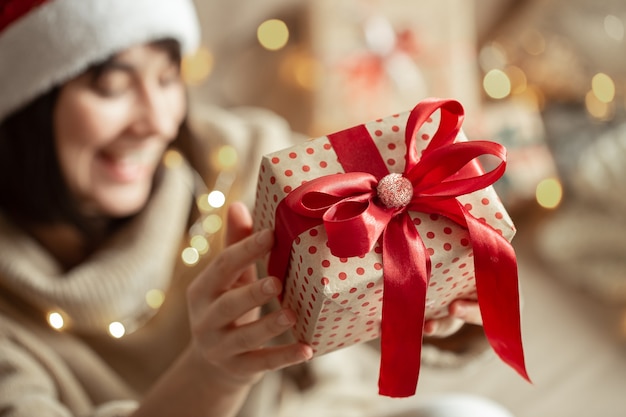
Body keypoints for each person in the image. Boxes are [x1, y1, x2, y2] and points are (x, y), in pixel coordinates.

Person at [0, 1, 516, 416]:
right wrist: (213, 375)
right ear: (26, 104)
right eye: (113, 86)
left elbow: (378, 294)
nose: (156, 121)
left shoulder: (241, 152)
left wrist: (440, 301)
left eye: (166, 79)